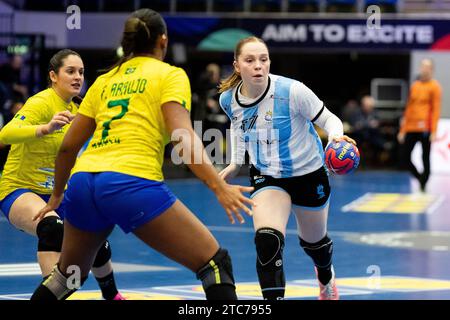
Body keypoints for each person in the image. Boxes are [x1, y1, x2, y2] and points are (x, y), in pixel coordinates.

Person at [30, 9, 254, 301]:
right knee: (215, 264)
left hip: (83, 185)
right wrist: (218, 186)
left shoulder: (104, 81)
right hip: (130, 183)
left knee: (65, 277)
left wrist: (58, 194)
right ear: (163, 41)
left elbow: (69, 146)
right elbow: (182, 137)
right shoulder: (169, 75)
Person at [217, 36, 356, 300]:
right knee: (267, 242)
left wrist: (336, 137)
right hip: (268, 176)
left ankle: (326, 277)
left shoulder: (292, 91)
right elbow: (238, 126)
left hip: (309, 173)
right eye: (250, 60)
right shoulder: (228, 100)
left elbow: (330, 119)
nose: (258, 65)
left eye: (263, 59)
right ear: (237, 66)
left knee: (315, 245)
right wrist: (235, 162)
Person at [0, 49, 124, 300]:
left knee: (97, 238)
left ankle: (113, 296)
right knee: (53, 230)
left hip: (58, 193)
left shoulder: (81, 110)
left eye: (81, 72)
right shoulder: (41, 102)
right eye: (70, 71)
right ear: (53, 76)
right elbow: (5, 134)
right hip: (20, 189)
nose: (78, 77)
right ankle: (52, 293)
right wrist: (45, 128)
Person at [397, 58, 441, 192]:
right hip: (411, 127)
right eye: (422, 66)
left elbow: (436, 109)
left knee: (425, 157)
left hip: (425, 129)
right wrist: (403, 130)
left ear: (431, 70)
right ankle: (419, 177)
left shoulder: (435, 87)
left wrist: (433, 131)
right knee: (404, 157)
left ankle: (424, 181)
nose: (424, 69)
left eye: (427, 67)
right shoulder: (415, 86)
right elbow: (409, 108)